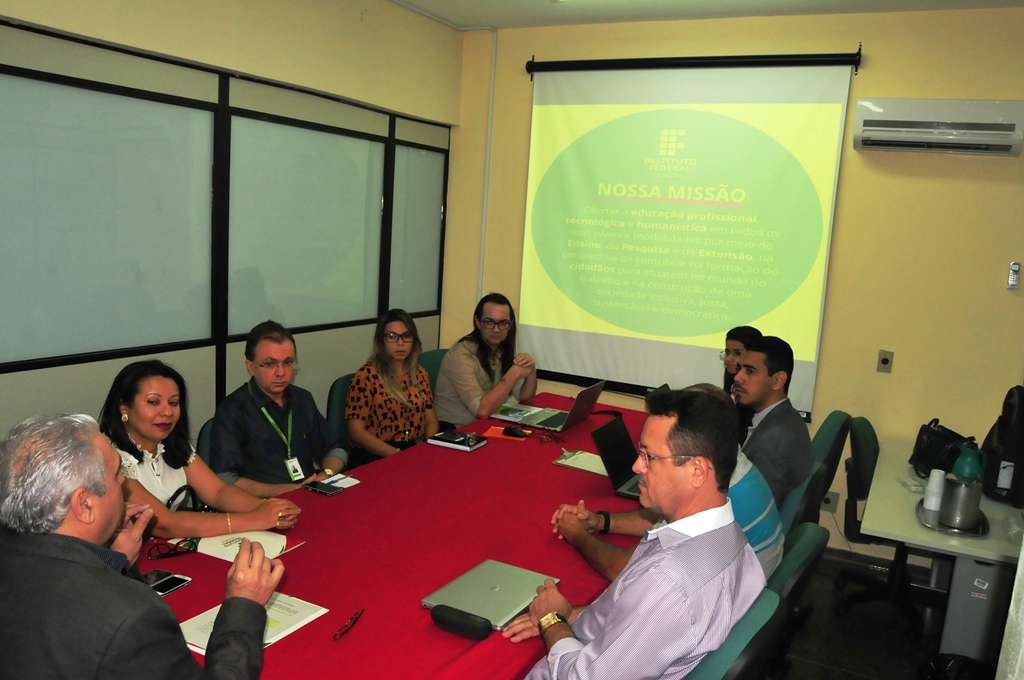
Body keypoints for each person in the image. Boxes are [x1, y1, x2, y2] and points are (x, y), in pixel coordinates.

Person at [503, 389, 766, 679]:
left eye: (649, 456)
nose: (636, 466)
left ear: (697, 471)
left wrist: (551, 620)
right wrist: (572, 615)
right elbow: (632, 619)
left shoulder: (668, 582)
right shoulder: (731, 537)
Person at [0, 413, 284, 680]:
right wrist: (243, 605)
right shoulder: (131, 617)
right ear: (85, 504)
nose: (124, 481)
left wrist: (116, 561)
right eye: (115, 475)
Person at [550, 384, 782, 581]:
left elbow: (621, 569)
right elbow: (661, 522)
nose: (637, 466)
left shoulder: (714, 491)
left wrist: (578, 534)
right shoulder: (725, 462)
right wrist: (601, 521)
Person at [99, 360, 301, 538]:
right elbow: (164, 524)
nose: (168, 412)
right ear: (124, 407)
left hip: (172, 547)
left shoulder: (172, 443)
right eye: (153, 402)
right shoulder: (109, 456)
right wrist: (254, 519)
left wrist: (267, 509)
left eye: (174, 403)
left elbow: (218, 491)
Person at [210, 320, 348, 497]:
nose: (281, 372)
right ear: (250, 367)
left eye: (288, 362)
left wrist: (325, 474)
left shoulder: (302, 399)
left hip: (311, 494)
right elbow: (225, 478)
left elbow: (335, 449)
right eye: (270, 364)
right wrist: (290, 491)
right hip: (261, 506)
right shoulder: (232, 411)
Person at [345, 309, 440, 467]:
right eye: (392, 336)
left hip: (412, 449)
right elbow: (356, 432)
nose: (400, 343)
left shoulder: (420, 373)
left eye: (407, 336)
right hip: (376, 454)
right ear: (381, 341)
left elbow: (431, 421)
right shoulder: (366, 376)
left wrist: (428, 447)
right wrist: (397, 455)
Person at [434, 292, 538, 427]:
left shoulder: (501, 349)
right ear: (478, 322)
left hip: (489, 424)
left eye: (503, 323)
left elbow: (525, 397)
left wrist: (531, 369)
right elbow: (481, 411)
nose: (496, 329)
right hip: (457, 431)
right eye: (489, 322)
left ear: (510, 325)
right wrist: (514, 373)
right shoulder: (461, 357)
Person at [732, 335, 813, 505]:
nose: (738, 377)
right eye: (739, 368)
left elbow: (754, 507)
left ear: (778, 380)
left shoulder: (775, 440)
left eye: (749, 370)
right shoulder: (786, 417)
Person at [721, 325, 762, 442]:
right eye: (727, 352)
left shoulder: (755, 392)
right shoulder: (731, 380)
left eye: (737, 353)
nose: (729, 359)